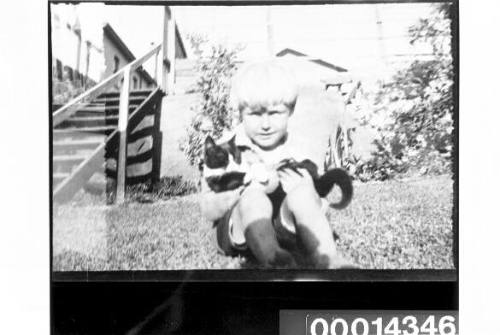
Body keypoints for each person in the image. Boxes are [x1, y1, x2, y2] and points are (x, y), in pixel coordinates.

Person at [200, 60, 353, 269]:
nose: (265, 125)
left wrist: (308, 191)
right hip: (240, 229)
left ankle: (327, 258)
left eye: (274, 113)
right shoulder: (225, 149)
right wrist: (241, 190)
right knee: (253, 198)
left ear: (290, 110)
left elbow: (317, 205)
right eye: (254, 114)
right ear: (240, 112)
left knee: (303, 193)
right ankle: (275, 260)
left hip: (284, 226)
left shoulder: (299, 148)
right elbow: (208, 210)